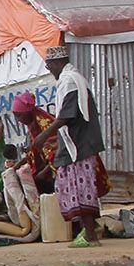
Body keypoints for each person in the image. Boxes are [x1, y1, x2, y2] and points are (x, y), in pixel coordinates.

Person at [27, 46, 106, 247]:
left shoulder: (70, 80)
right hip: (75, 142)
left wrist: (44, 135)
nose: (49, 69)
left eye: (49, 66)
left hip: (78, 143)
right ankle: (89, 231)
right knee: (71, 185)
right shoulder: (71, 78)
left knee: (81, 187)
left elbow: (66, 115)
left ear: (56, 63)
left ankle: (90, 234)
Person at [10, 91, 59, 193]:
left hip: (59, 172)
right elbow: (34, 151)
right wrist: (15, 167)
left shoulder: (45, 124)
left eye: (19, 116)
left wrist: (45, 172)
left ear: (28, 112)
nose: (19, 120)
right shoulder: (33, 126)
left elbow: (57, 152)